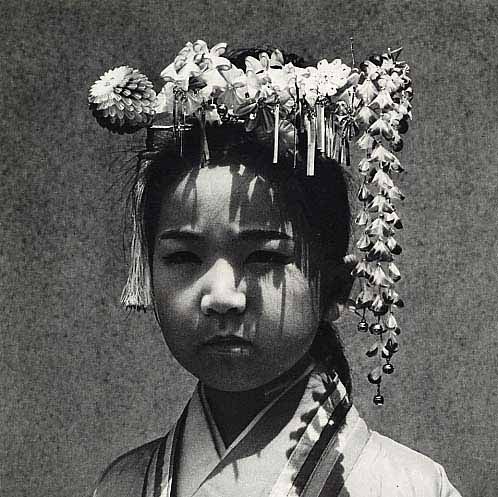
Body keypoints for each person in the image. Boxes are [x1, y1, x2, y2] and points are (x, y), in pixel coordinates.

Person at [89, 41, 462, 497]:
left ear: (336, 288)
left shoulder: (411, 486)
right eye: (183, 257)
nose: (222, 296)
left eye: (265, 257)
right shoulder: (122, 486)